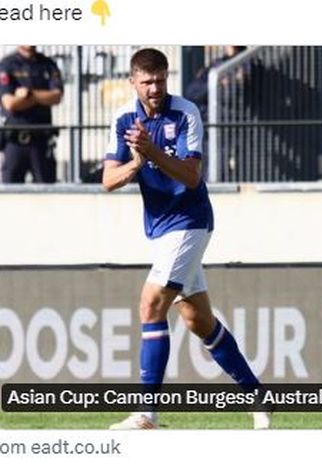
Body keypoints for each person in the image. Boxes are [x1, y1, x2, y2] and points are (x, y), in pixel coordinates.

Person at [102, 48, 269, 430]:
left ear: (167, 77)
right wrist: (136, 163)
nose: (155, 88)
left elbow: (192, 177)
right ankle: (258, 396)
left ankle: (147, 414)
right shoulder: (123, 117)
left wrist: (151, 151)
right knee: (198, 320)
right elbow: (108, 180)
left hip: (190, 220)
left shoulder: (186, 112)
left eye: (160, 79)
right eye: (147, 81)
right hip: (160, 228)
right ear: (133, 82)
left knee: (150, 305)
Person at [0, 46, 63, 183]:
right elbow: (9, 103)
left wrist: (29, 94)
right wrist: (41, 98)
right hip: (15, 141)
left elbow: (57, 97)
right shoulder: (7, 64)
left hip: (41, 141)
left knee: (46, 192)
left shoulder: (48, 64)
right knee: (10, 194)